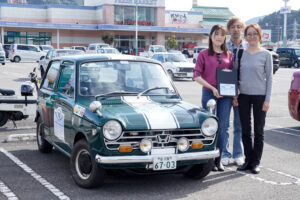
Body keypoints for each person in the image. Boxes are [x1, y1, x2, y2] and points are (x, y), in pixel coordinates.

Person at [193, 24, 233, 171]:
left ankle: (218, 160)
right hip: (209, 93)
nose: (219, 37)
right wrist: (211, 88)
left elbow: (232, 75)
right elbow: (196, 75)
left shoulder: (229, 55)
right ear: (211, 36)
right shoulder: (203, 54)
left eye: (222, 34)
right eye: (216, 34)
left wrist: (234, 91)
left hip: (225, 96)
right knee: (208, 126)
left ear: (225, 38)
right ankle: (206, 160)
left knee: (223, 127)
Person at [234, 24, 273, 174]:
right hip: (243, 95)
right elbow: (236, 75)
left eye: (254, 33)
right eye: (249, 34)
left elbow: (269, 78)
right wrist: (235, 95)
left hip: (260, 96)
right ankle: (247, 160)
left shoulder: (266, 54)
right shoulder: (240, 52)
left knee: (258, 131)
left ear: (259, 35)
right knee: (245, 129)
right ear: (245, 36)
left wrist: (267, 99)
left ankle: (256, 162)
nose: (251, 36)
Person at [222, 17, 248, 166]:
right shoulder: (223, 46)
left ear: (242, 29)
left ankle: (238, 153)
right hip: (225, 90)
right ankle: (225, 153)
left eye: (239, 26)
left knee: (239, 125)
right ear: (229, 29)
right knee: (224, 125)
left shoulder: (247, 47)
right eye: (233, 26)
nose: (236, 29)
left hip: (242, 91)